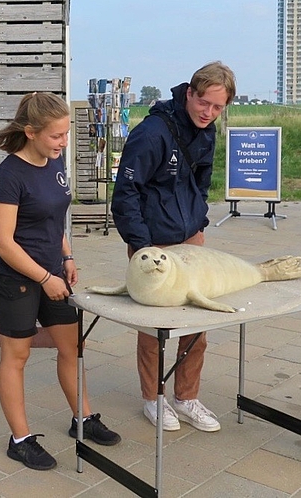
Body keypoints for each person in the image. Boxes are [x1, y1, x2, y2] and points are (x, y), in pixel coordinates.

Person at [0, 92, 121, 471]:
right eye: (56, 136)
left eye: (66, 134)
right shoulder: (9, 176)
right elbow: (3, 242)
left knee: (72, 347)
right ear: (31, 132)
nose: (63, 142)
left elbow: (53, 218)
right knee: (17, 356)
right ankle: (20, 439)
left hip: (53, 273)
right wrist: (46, 277)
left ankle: (83, 418)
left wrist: (67, 256)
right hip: (16, 280)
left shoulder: (53, 164)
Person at [111, 61, 236, 433]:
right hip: (153, 244)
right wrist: (141, 246)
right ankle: (154, 399)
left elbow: (201, 181)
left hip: (191, 240)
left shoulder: (207, 131)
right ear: (191, 94)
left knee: (197, 325)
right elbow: (125, 193)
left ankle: (187, 398)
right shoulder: (151, 133)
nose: (209, 113)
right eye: (204, 104)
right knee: (155, 328)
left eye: (218, 108)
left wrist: (198, 223)